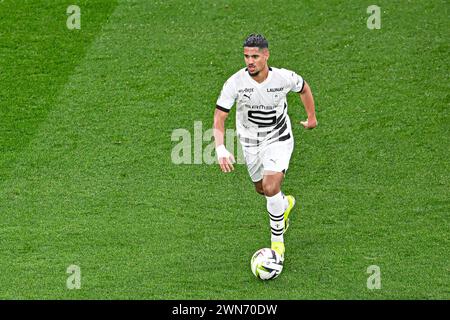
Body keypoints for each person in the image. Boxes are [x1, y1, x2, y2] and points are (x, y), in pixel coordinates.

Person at [213, 34, 317, 262]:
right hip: (250, 142)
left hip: (278, 137)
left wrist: (311, 117)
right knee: (262, 190)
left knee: (270, 186)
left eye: (255, 56)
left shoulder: (282, 78)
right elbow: (220, 116)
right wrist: (220, 148)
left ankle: (277, 243)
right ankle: (285, 203)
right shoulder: (235, 83)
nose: (249, 61)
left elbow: (303, 88)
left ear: (266, 55)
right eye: (246, 56)